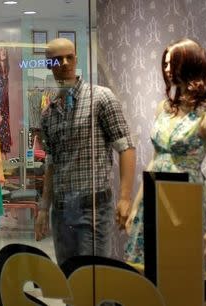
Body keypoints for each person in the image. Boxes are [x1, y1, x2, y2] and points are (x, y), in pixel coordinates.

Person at [125, 38, 206, 265]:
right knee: (148, 269)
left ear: (191, 64)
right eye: (166, 64)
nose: (168, 69)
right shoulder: (163, 109)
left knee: (181, 270)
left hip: (185, 197)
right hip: (153, 195)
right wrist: (136, 205)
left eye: (174, 63)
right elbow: (154, 161)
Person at [35, 38, 136, 266]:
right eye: (57, 59)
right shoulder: (48, 113)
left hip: (93, 209)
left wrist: (125, 197)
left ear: (76, 58)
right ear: (49, 65)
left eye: (69, 57)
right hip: (61, 211)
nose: (64, 63)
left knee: (94, 282)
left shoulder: (100, 98)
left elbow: (126, 146)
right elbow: (52, 163)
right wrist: (44, 207)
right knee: (70, 282)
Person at [0, 43, 12, 154]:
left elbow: (6, 92)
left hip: (4, 108)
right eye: (1, 50)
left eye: (5, 49)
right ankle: (1, 167)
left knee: (4, 140)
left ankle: (5, 167)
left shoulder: (7, 69)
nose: (3, 51)